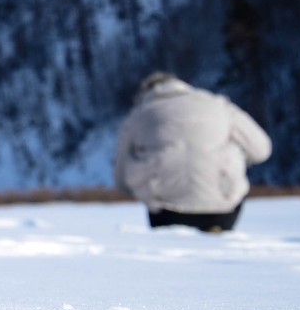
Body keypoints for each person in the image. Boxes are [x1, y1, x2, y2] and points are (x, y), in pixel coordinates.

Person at [115, 72, 273, 232]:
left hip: (165, 212)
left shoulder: (138, 115)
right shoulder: (219, 105)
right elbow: (262, 150)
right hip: (223, 208)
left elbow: (121, 177)